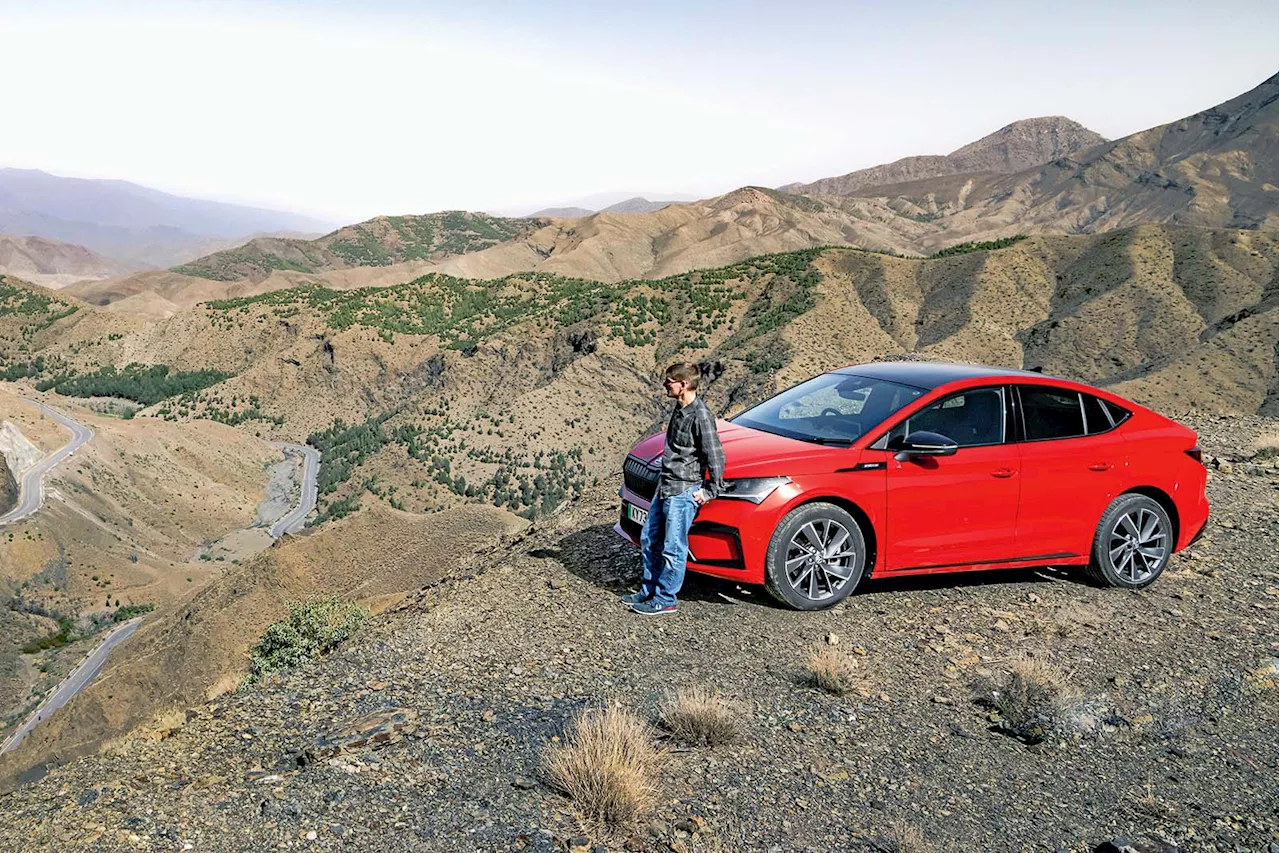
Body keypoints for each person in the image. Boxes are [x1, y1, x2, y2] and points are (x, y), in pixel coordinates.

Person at [623, 362, 725, 615]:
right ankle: (649, 591)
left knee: (673, 547)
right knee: (649, 538)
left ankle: (666, 599)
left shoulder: (700, 415)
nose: (665, 385)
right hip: (666, 485)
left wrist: (710, 490)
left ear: (684, 384)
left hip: (683, 489)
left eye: (670, 381)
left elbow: (715, 455)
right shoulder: (680, 409)